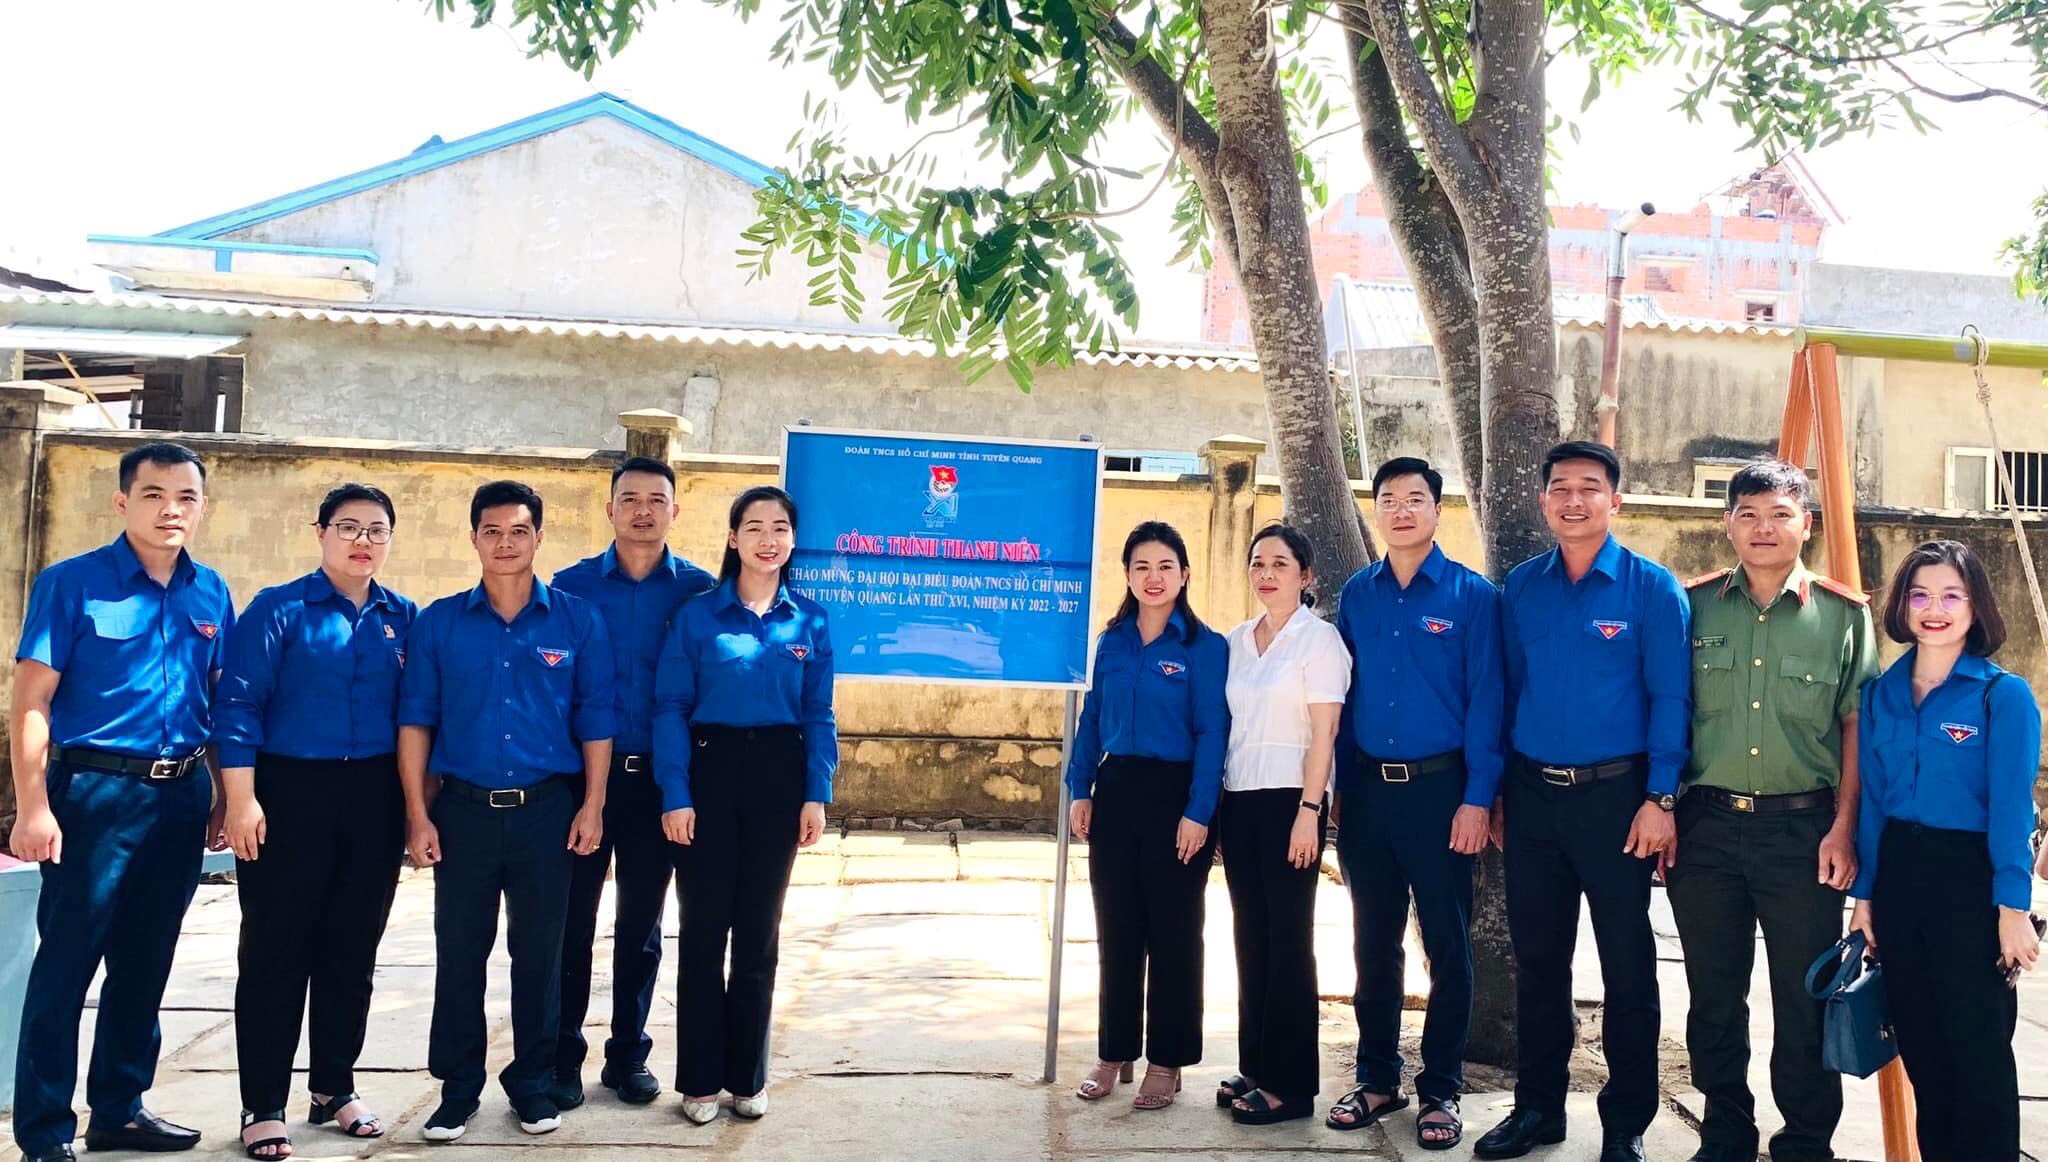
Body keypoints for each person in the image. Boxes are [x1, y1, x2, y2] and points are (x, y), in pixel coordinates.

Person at [9, 442, 235, 1162]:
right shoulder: (72, 583)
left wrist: (225, 795)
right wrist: (33, 807)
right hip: (93, 794)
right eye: (153, 495)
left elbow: (220, 703)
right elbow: (32, 702)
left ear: (201, 507)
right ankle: (44, 1130)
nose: (172, 510)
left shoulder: (211, 591)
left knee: (146, 961)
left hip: (180, 795)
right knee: (67, 965)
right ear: (122, 502)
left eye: (186, 497)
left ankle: (119, 1110)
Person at [1479, 441, 1689, 1162]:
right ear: (1544, 501)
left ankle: (1625, 1123)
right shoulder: (1521, 588)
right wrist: (1497, 791)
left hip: (1619, 801)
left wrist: (1661, 797)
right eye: (1561, 487)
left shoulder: (1651, 589)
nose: (1575, 499)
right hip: (1533, 800)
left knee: (1628, 966)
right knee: (1540, 963)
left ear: (1615, 500)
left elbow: (1672, 698)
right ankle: (1538, 1110)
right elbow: (1505, 693)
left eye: (1590, 487)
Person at [1665, 460, 1877, 1162]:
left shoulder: (1843, 616)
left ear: (1805, 525)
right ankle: (1725, 1131)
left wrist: (1845, 829)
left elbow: (1856, 727)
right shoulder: (1691, 607)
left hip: (1804, 831)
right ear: (1727, 523)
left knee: (1804, 994)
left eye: (1780, 514)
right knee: (1713, 994)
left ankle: (1807, 1141)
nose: (1764, 528)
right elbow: (1667, 713)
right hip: (1706, 828)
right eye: (1749, 514)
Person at [397, 480, 615, 1142]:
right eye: (491, 531)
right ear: (474, 539)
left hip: (547, 811)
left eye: (519, 531)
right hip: (461, 812)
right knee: (460, 952)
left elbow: (596, 719)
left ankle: (533, 1083)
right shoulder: (439, 623)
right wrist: (417, 815)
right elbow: (416, 722)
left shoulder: (577, 621)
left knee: (541, 955)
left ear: (539, 537)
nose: (505, 543)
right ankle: (458, 1089)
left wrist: (593, 805)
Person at [215, 484, 418, 1160]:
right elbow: (238, 706)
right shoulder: (279, 609)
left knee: (353, 948)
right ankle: (262, 1103)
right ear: (321, 533)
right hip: (288, 791)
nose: (363, 541)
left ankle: (334, 1086)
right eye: (348, 527)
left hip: (374, 796)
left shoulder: (403, 617)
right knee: (276, 950)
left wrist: (417, 810)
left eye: (377, 530)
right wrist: (240, 799)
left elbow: (420, 716)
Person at [1326, 456, 1503, 1152]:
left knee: (1447, 946)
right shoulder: (1358, 595)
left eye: (1415, 499)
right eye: (1389, 500)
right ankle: (1377, 1078)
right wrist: (1339, 790)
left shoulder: (1472, 596)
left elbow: (1487, 702)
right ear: (1376, 512)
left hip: (1441, 793)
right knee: (1372, 942)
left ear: (1437, 510)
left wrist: (1478, 799)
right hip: (1368, 793)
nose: (1401, 511)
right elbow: (1342, 699)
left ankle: (1441, 1089)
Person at [1849, 539, 2041, 1162]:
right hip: (1901, 878)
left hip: (1970, 881)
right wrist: (1865, 898)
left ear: (1976, 605)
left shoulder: (2001, 695)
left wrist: (2013, 908)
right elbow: (1874, 804)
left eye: (1952, 596)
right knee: (1924, 1054)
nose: (1935, 609)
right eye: (1920, 595)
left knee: (1979, 1057)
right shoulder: (1880, 694)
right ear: (1902, 606)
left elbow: (2012, 809)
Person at [653, 485, 836, 1124]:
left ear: (792, 540)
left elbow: (818, 712)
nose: (767, 539)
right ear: (733, 538)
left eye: (779, 527)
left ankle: (747, 1079)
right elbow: (670, 707)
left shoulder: (809, 620)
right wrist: (676, 793)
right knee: (704, 932)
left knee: (759, 933)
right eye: (754, 527)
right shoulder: (698, 616)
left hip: (778, 776)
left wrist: (816, 792)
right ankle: (701, 1081)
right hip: (709, 770)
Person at [548, 457, 716, 1110]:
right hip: (581, 782)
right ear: (610, 509)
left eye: (656, 499)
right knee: (571, 922)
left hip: (658, 782)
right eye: (630, 499)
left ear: (675, 510)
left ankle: (628, 1056)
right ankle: (563, 1056)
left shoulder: (700, 592)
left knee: (642, 926)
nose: (642, 510)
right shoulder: (570, 587)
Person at [1066, 520, 1228, 1112]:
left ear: (1184, 575)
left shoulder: (1205, 647)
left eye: (1165, 567)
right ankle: (1114, 1052)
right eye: (1141, 567)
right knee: (1117, 928)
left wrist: (1199, 813)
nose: (1153, 578)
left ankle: (1167, 1060)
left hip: (1176, 795)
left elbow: (1213, 733)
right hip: (1117, 789)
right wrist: (1080, 787)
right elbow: (1092, 718)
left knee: (1175, 933)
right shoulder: (1111, 643)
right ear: (1128, 576)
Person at [1213, 525, 1348, 1127]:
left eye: (1280, 563)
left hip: (1293, 801)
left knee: (1289, 940)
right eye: (1257, 563)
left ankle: (1290, 1087)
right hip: (1240, 799)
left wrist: (1309, 813)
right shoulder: (1238, 640)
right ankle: (1257, 1065)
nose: (1266, 573)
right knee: (1251, 936)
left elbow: (1325, 733)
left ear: (1305, 575)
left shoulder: (1320, 642)